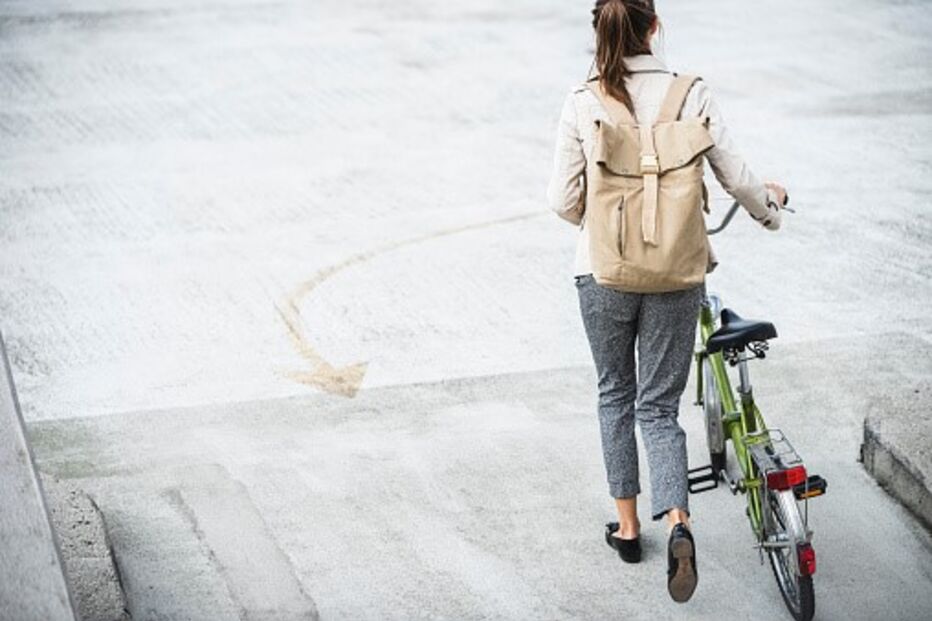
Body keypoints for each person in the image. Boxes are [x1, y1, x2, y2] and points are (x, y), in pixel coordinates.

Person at [546, 0, 788, 603]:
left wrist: (603, 224)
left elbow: (562, 200)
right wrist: (770, 210)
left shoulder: (582, 99)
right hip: (677, 276)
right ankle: (679, 521)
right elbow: (736, 177)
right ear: (655, 27)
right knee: (657, 407)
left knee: (615, 394)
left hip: (602, 274)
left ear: (601, 29)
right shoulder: (691, 92)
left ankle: (628, 529)